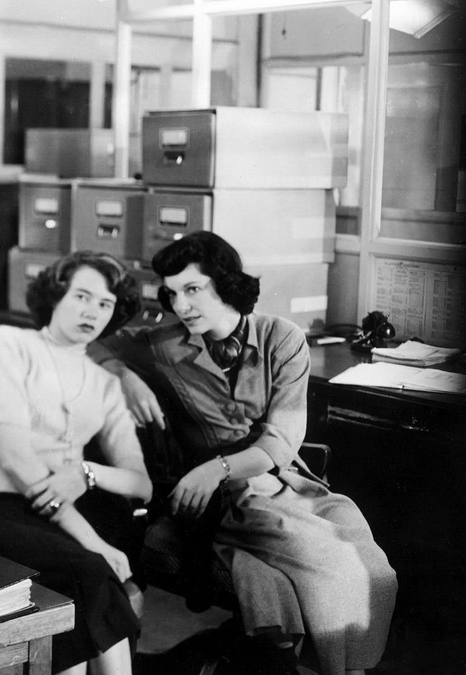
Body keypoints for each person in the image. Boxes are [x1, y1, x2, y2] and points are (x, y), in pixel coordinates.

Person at [88, 232, 398, 675]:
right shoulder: (163, 344)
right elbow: (91, 343)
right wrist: (124, 375)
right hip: (227, 501)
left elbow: (281, 440)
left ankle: (344, 668)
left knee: (371, 566)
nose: (181, 305)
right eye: (172, 294)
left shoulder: (282, 338)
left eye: (193, 289)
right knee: (335, 566)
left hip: (292, 484)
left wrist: (216, 468)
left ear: (226, 284)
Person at [0, 251, 153, 675]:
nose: (92, 311)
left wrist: (86, 473)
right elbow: (16, 458)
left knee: (88, 579)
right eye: (82, 296)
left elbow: (140, 482)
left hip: (59, 514)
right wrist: (93, 541)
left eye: (105, 304)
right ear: (56, 295)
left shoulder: (106, 384)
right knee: (90, 569)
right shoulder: (8, 343)